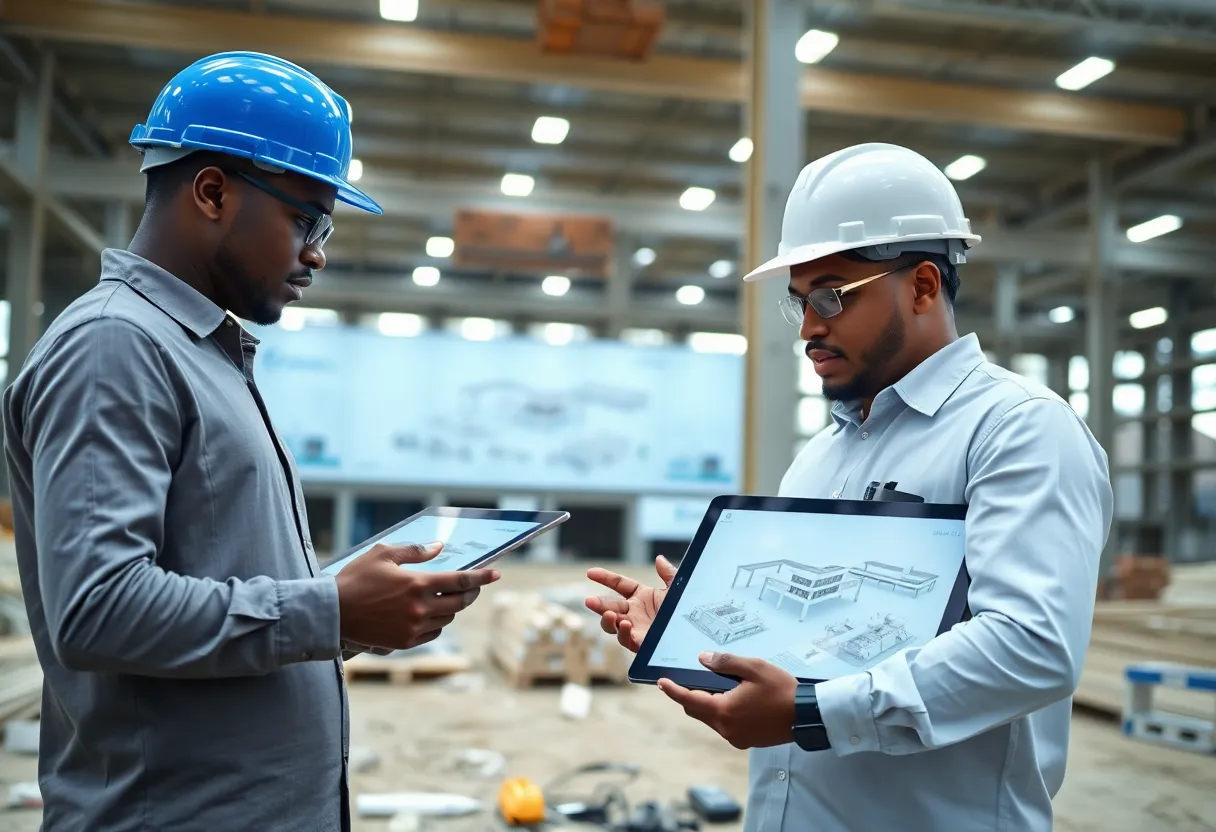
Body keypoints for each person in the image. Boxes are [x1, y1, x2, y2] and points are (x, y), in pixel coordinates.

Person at [2, 51, 499, 832]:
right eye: (306, 217)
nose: (318, 252)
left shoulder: (200, 352)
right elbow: (96, 608)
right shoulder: (115, 346)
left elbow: (214, 583)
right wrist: (327, 611)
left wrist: (359, 612)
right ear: (211, 191)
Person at [587, 142, 1114, 832]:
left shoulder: (1018, 431)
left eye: (831, 296)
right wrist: (695, 633)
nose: (808, 327)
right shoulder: (821, 456)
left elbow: (1031, 646)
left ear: (924, 285)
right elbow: (813, 637)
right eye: (799, 302)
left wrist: (812, 714)